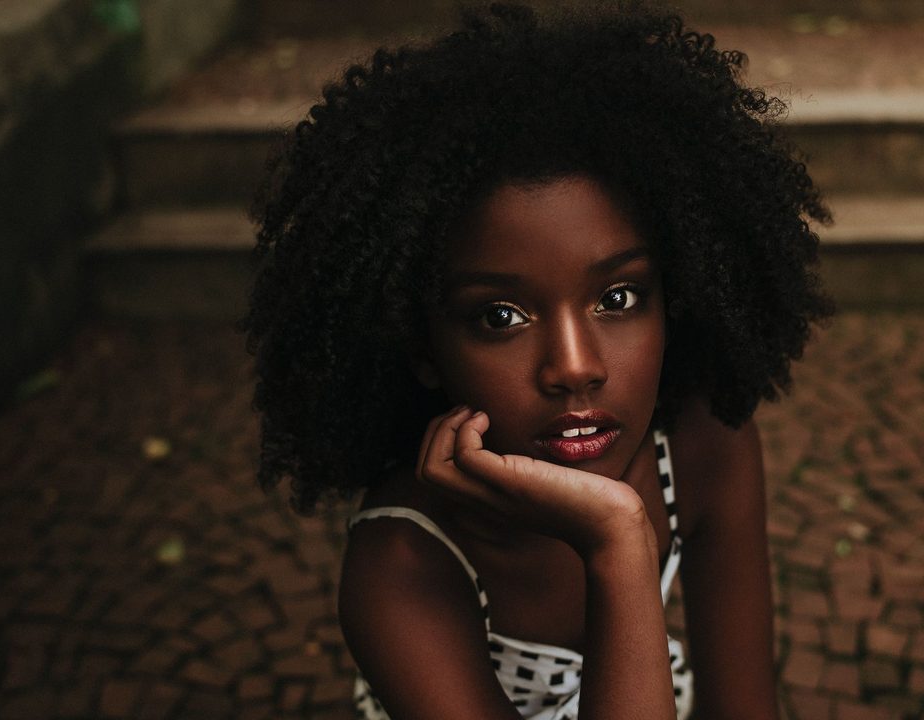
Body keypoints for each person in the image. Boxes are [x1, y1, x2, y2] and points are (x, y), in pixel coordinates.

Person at [242, 3, 833, 718]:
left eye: (617, 297)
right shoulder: (403, 563)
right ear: (423, 348)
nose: (575, 367)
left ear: (675, 297)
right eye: (501, 317)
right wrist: (616, 541)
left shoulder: (706, 447)